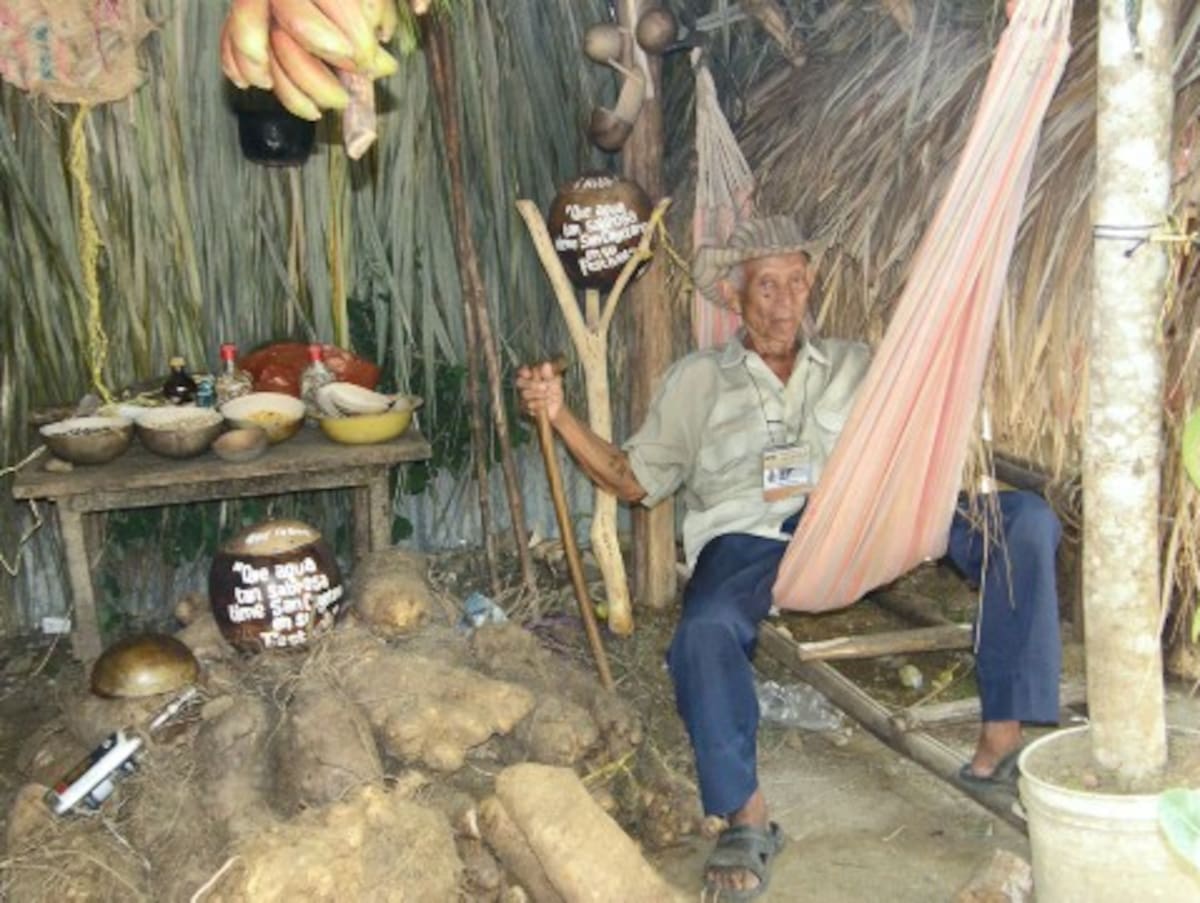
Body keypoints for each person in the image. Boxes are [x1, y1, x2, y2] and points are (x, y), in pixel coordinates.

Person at [516, 216, 1062, 901]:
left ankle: (999, 743)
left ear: (811, 288)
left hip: (862, 524)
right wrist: (561, 415)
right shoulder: (695, 382)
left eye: (795, 282)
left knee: (1024, 523)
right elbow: (631, 479)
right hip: (753, 539)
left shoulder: (861, 366)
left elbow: (922, 428)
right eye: (765, 285)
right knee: (705, 630)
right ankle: (745, 815)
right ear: (735, 296)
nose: (782, 301)